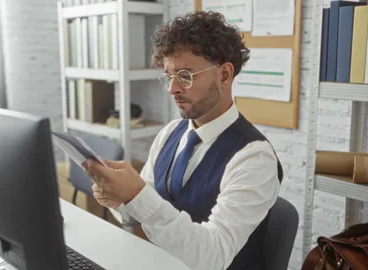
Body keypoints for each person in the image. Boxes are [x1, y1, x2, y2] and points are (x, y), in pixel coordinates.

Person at [83, 10, 283, 270]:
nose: (172, 89)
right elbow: (142, 216)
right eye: (169, 76)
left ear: (224, 75)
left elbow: (213, 257)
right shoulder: (170, 134)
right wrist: (119, 200)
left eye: (185, 76)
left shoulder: (254, 157)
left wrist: (136, 194)